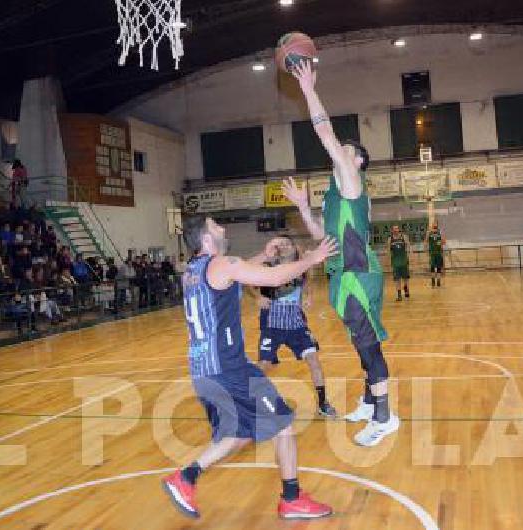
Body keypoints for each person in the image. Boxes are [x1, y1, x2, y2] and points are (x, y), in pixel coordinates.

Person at [161, 215, 336, 520]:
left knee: (238, 433)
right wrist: (312, 258)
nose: (223, 229)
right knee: (282, 423)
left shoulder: (192, 270)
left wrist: (262, 256)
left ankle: (186, 478)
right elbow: (274, 279)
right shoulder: (222, 264)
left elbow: (231, 273)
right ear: (205, 239)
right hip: (230, 370)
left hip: (204, 371)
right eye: (216, 227)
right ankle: (291, 499)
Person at [282, 60, 399, 447]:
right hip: (343, 275)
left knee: (368, 344)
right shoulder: (337, 197)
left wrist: (309, 90)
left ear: (357, 162)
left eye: (346, 151)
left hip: (358, 276)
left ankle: (384, 416)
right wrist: (302, 207)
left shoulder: (352, 180)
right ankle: (370, 401)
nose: (338, 153)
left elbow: (326, 134)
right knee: (359, 341)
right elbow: (323, 238)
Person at [255, 236, 336, 418]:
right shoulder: (267, 268)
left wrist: (307, 295)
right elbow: (242, 281)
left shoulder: (301, 268)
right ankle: (255, 405)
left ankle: (323, 403)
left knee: (314, 360)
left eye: (287, 243)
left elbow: (307, 282)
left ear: (294, 248)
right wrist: (257, 297)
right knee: (262, 367)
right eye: (280, 244)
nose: (283, 246)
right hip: (272, 326)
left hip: (296, 325)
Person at [389, 224, 411, 301]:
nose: (395, 230)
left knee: (406, 278)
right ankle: (399, 295)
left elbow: (408, 246)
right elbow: (388, 251)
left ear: (399, 229)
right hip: (395, 262)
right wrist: (389, 261)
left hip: (404, 261)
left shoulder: (404, 237)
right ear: (392, 230)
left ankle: (406, 289)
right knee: (397, 279)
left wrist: (409, 254)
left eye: (397, 228)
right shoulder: (390, 239)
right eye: (394, 229)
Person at [427, 222, 446, 288]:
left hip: (438, 253)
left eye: (436, 224)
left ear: (437, 225)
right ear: (432, 225)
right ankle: (433, 281)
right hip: (432, 253)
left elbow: (444, 242)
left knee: (438, 268)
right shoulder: (429, 232)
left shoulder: (440, 232)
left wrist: (440, 242)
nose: (434, 225)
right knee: (432, 267)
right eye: (433, 224)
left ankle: (438, 281)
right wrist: (426, 248)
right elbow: (426, 241)